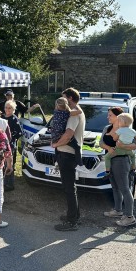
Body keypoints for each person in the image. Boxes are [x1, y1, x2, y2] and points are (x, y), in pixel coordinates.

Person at [51, 87, 85, 231]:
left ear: (70, 98)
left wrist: (56, 144)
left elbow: (68, 134)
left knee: (69, 188)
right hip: (68, 153)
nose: (63, 100)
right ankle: (74, 216)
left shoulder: (72, 115)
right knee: (70, 187)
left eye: (64, 97)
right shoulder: (75, 111)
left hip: (67, 154)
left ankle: (72, 222)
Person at [99, 107, 136, 221]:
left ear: (118, 117)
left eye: (110, 115)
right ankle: (118, 210)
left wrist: (123, 146)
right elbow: (101, 142)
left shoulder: (127, 130)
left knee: (125, 189)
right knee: (115, 188)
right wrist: (109, 148)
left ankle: (130, 217)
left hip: (121, 161)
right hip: (110, 160)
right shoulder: (107, 128)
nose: (108, 117)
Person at [49, 97, 83, 166]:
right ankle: (80, 164)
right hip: (61, 135)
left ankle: (57, 162)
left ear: (57, 106)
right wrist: (76, 105)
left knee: (57, 147)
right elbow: (80, 112)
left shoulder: (55, 112)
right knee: (77, 147)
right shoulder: (67, 113)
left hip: (54, 135)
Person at [0, 100, 23, 191]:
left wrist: (9, 137)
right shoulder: (1, 117)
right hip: (0, 145)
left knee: (9, 164)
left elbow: (19, 133)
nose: (7, 109)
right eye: (6, 107)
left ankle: (9, 184)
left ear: (13, 109)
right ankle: (2, 182)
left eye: (10, 108)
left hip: (10, 145)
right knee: (2, 164)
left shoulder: (14, 119)